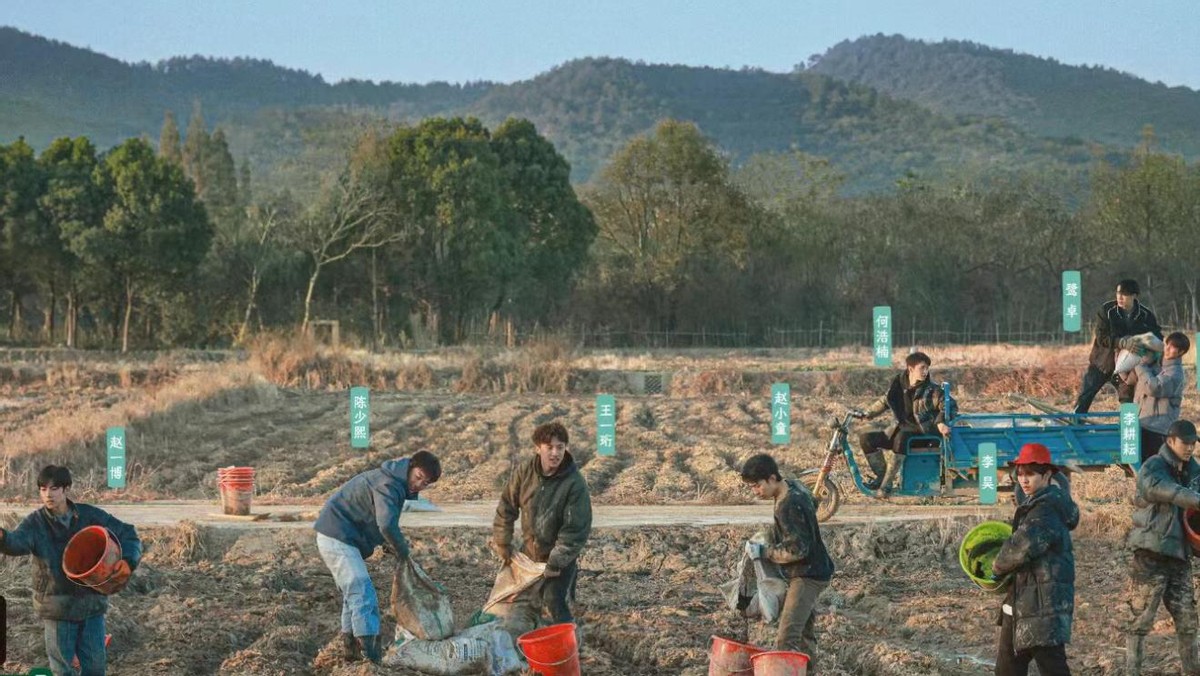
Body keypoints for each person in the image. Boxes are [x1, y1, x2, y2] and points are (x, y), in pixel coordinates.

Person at [0, 465, 141, 676]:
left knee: (95, 668)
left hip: (91, 606)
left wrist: (129, 561)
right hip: (58, 610)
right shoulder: (35, 523)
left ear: (66, 489)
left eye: (54, 488)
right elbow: (16, 542)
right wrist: (2, 537)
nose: (48, 494)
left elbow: (128, 533)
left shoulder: (89, 515)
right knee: (62, 670)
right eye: (42, 489)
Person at [313, 451, 441, 664]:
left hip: (341, 536)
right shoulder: (388, 485)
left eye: (425, 483)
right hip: (337, 536)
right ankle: (370, 657)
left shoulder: (391, 482)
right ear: (409, 467)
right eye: (418, 477)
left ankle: (352, 652)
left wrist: (387, 544)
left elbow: (376, 519)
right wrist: (402, 551)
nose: (419, 485)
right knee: (362, 591)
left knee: (352, 595)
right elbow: (386, 523)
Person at [491, 422, 592, 642]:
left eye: (560, 447)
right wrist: (503, 541)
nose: (555, 453)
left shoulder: (574, 483)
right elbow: (507, 506)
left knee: (553, 599)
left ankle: (571, 644)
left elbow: (574, 530)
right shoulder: (525, 472)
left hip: (559, 558)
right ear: (538, 448)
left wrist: (556, 562)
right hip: (530, 552)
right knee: (518, 600)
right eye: (550, 447)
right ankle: (524, 640)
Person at [741, 454, 835, 671]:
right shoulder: (794, 486)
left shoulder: (787, 505)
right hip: (814, 569)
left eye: (757, 486)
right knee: (804, 634)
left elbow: (797, 550)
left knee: (787, 638)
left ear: (772, 478)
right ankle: (809, 671)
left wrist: (764, 551)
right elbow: (812, 502)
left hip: (808, 575)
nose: (755, 491)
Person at [991, 444, 1078, 676]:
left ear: (1047, 474)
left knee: (1052, 666)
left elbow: (1021, 546)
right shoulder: (1041, 504)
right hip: (1024, 598)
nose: (1023, 480)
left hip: (1041, 603)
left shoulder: (1046, 509)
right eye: (1020, 473)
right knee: (1008, 668)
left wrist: (997, 567)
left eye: (1030, 474)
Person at [1125, 419, 1200, 675]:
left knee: (1189, 622)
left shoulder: (1193, 470)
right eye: (1185, 443)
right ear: (1170, 441)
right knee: (1140, 622)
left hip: (1179, 557)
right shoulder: (1153, 466)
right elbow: (1154, 488)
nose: (1190, 448)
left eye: (1193, 443)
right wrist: (1194, 499)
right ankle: (1131, 672)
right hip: (1150, 554)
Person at [855, 351, 950, 494]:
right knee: (866, 439)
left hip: (922, 433)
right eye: (922, 368)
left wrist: (941, 422)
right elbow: (885, 401)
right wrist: (868, 413)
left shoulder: (932, 390)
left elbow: (949, 406)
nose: (926, 372)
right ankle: (881, 477)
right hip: (899, 430)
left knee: (901, 438)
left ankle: (886, 486)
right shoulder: (898, 386)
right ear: (910, 369)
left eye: (927, 368)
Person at [1073, 279, 1162, 414]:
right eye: (1118, 293)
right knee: (1085, 395)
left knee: (1128, 403)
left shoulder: (1146, 315)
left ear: (1134, 296)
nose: (1120, 297)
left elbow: (1157, 338)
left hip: (1128, 367)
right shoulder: (1107, 310)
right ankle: (1075, 424)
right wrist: (1122, 342)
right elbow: (1101, 336)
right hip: (1102, 362)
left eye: (1124, 294)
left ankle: (1128, 432)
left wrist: (1141, 343)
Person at [1135, 332, 1190, 463]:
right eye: (1167, 345)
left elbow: (1153, 387)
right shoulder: (1159, 365)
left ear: (1181, 352)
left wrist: (1139, 365)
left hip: (1158, 428)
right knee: (1142, 467)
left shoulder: (1175, 373)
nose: (1167, 349)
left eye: (1172, 348)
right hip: (1145, 423)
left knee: (1153, 467)